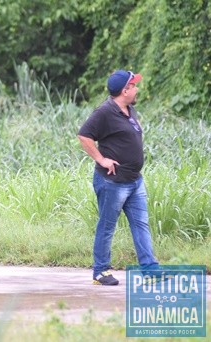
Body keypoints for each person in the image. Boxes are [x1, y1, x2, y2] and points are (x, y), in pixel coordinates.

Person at [78, 70, 159, 286]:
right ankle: (100, 271)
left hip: (134, 181)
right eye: (134, 86)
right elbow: (83, 135)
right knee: (107, 226)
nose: (137, 88)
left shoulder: (129, 109)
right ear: (125, 90)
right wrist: (102, 159)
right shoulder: (104, 112)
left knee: (141, 224)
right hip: (112, 183)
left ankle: (150, 268)